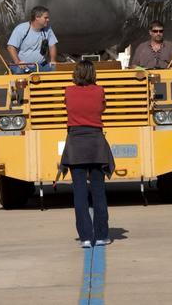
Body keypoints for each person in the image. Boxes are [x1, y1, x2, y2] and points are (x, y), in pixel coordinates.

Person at [59, 60, 114, 248]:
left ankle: (85, 237)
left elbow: (68, 109)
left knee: (80, 193)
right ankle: (101, 235)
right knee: (99, 192)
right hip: (96, 143)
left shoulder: (68, 91)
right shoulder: (100, 91)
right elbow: (102, 109)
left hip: (75, 143)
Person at [6, 6, 58, 73]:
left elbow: (52, 45)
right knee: (19, 71)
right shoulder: (21, 29)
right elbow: (10, 47)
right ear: (37, 17)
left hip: (41, 64)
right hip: (23, 65)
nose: (48, 20)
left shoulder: (48, 29)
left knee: (54, 69)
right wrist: (18, 62)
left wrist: (53, 61)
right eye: (46, 18)